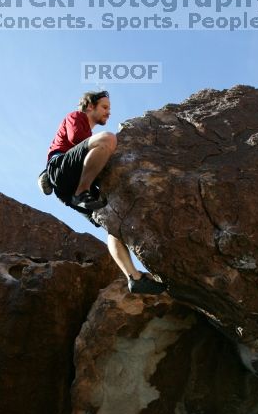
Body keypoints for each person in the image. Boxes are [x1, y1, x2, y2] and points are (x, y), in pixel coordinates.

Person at [38, 91, 166, 295]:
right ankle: (80, 191)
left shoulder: (89, 136)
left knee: (112, 222)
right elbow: (76, 139)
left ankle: (134, 278)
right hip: (61, 169)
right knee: (108, 139)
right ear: (90, 106)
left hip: (69, 189)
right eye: (104, 107)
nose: (109, 112)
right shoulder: (76, 117)